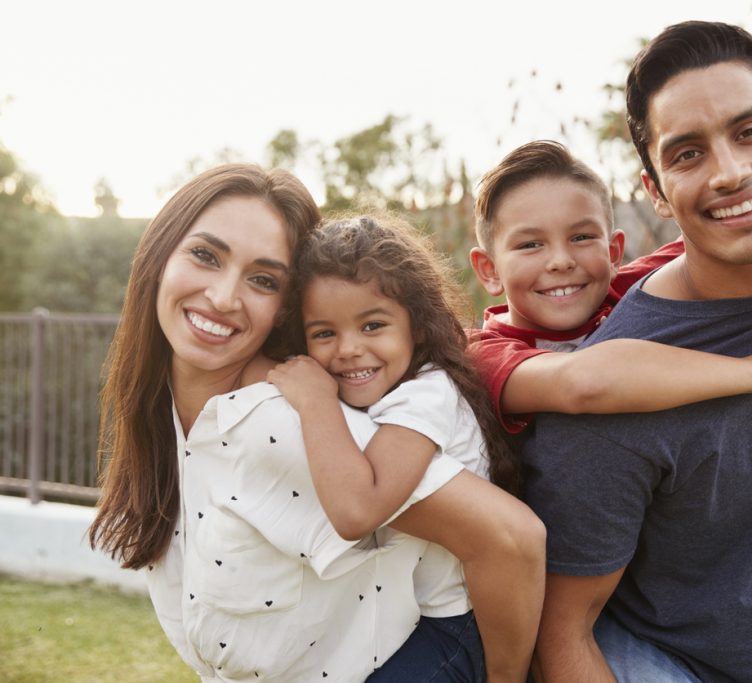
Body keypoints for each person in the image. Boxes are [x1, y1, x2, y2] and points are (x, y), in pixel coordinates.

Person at [519, 22, 752, 682]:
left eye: (750, 131)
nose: (729, 172)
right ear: (655, 190)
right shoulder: (617, 393)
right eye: (688, 153)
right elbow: (562, 636)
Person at [87, 164, 544, 682]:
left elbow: (510, 539)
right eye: (205, 255)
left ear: (284, 309)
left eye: (263, 279)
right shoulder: (168, 408)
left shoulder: (286, 422)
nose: (222, 296)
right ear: (158, 255)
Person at [268, 213, 541, 682]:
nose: (349, 349)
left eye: (372, 325)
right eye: (325, 333)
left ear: (416, 326)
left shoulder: (426, 394)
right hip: (410, 618)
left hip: (458, 627)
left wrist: (315, 401)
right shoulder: (385, 392)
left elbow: (359, 510)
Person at [468, 139, 752, 436]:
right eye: (529, 245)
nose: (561, 260)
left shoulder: (626, 288)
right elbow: (583, 382)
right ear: (489, 271)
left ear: (615, 251)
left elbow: (734, 221)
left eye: (582, 237)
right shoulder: (481, 354)